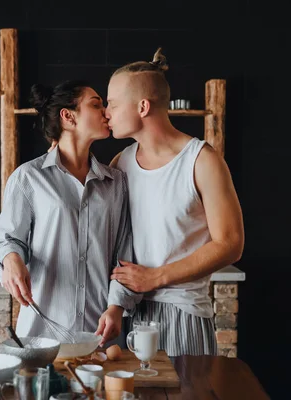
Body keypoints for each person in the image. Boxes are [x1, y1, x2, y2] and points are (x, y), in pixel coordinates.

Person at [101, 49, 245, 356]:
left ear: (142, 106)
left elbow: (231, 243)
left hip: (185, 315)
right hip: (133, 315)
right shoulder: (120, 164)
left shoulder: (202, 161)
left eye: (112, 103)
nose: (106, 112)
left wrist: (155, 277)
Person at [0, 80, 141, 340]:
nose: (106, 112)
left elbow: (123, 254)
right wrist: (11, 260)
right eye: (96, 105)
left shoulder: (116, 183)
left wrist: (117, 307)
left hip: (99, 333)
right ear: (68, 116)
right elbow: (6, 240)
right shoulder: (28, 177)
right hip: (42, 333)